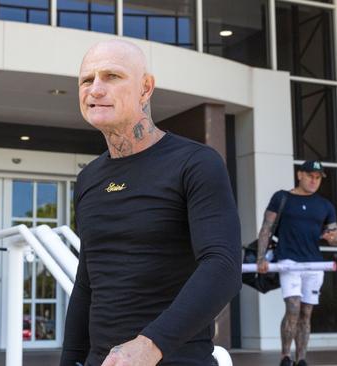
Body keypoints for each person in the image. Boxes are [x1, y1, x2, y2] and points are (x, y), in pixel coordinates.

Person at [60, 39, 241, 366]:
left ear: (145, 88)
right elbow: (87, 283)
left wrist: (149, 345)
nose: (95, 89)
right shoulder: (88, 179)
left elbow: (223, 266)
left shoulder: (196, 163)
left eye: (112, 76)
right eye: (86, 80)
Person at [256, 160, 337, 366]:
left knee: (306, 313)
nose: (314, 180)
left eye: (318, 177)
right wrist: (260, 258)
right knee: (293, 308)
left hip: (313, 264)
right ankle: (285, 356)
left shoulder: (324, 205)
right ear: (300, 175)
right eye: (311, 175)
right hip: (288, 261)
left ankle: (301, 359)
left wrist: (333, 238)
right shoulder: (282, 198)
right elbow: (266, 229)